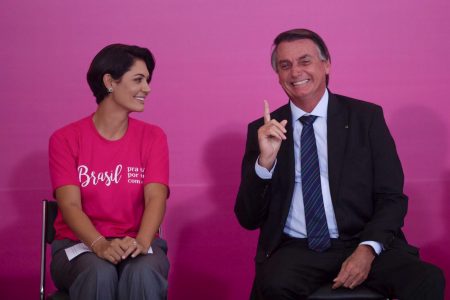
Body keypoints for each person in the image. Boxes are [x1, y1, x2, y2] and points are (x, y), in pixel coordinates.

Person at [234, 28, 445, 300]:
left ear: (326, 64)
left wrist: (367, 249)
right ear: (278, 75)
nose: (295, 72)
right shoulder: (264, 130)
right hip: (298, 248)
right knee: (272, 284)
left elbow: (391, 197)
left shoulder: (366, 118)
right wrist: (265, 163)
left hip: (363, 239)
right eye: (285, 66)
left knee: (427, 279)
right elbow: (247, 218)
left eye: (305, 61)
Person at [49, 44, 170, 300]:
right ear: (109, 82)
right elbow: (69, 204)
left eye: (147, 80)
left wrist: (142, 241)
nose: (147, 88)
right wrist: (100, 244)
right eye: (138, 79)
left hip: (136, 242)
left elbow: (155, 198)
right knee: (99, 271)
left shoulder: (153, 137)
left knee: (143, 271)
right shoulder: (65, 139)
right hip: (78, 246)